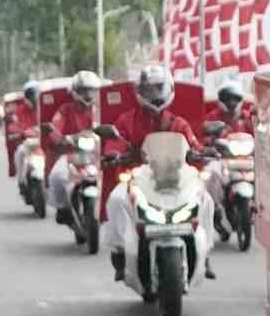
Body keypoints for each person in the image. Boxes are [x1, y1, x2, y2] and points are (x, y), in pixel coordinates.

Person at [102, 64, 216, 282]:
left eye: (159, 88)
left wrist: (203, 152)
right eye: (150, 89)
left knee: (207, 199)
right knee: (116, 199)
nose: (155, 94)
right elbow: (115, 142)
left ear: (168, 88)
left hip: (175, 177)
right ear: (140, 91)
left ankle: (206, 253)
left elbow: (193, 145)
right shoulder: (127, 121)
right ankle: (119, 252)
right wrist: (113, 153)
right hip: (139, 176)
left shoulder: (177, 123)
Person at [43, 70, 100, 225]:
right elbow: (55, 127)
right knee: (56, 176)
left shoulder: (101, 110)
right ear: (75, 91)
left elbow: (114, 127)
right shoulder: (65, 110)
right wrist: (61, 138)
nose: (88, 94)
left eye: (91, 90)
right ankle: (62, 208)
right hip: (71, 154)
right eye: (83, 90)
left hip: (98, 154)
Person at [201, 80, 256, 235]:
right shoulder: (213, 117)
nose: (231, 102)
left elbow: (258, 135)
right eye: (227, 98)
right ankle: (215, 209)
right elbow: (202, 136)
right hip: (220, 159)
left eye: (235, 98)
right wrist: (210, 144)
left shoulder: (247, 117)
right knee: (211, 175)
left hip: (245, 159)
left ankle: (257, 203)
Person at [8, 82, 41, 194]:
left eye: (37, 94)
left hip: (45, 143)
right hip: (29, 143)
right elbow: (14, 126)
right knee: (20, 152)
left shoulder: (46, 108)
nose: (35, 98)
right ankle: (21, 181)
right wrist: (20, 132)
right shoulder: (20, 110)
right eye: (33, 95)